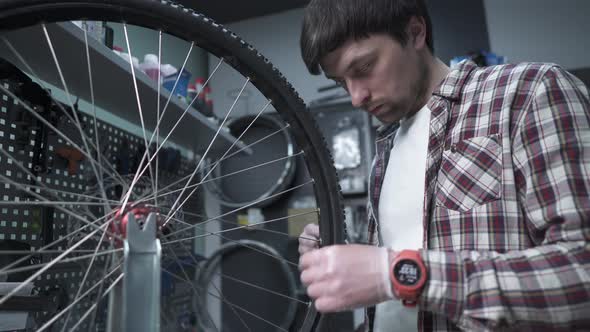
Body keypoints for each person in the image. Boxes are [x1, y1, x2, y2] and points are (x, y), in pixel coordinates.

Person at [296, 0, 590, 331]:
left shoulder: (527, 92)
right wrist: (356, 265)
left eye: (363, 68)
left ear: (415, 32)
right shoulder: (386, 149)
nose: (355, 97)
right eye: (340, 82)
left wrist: (399, 274)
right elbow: (402, 290)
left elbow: (582, 271)